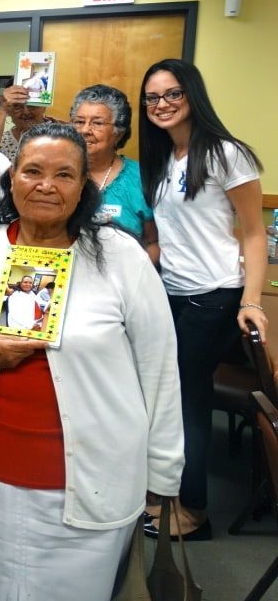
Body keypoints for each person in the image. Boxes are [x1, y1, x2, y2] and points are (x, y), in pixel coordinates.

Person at [0, 122, 183, 601]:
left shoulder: (120, 257)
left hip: (88, 480)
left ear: (84, 188)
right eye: (33, 171)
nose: (46, 185)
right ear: (11, 178)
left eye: (64, 175)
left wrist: (163, 471)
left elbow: (159, 368)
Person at [139, 58, 268, 540]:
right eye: (152, 97)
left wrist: (251, 300)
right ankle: (165, 494)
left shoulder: (224, 153)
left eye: (172, 94)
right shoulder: (165, 156)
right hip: (172, 292)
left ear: (192, 95)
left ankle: (192, 511)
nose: (162, 105)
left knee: (186, 401)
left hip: (214, 295)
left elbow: (254, 234)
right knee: (169, 398)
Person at [69, 84, 158, 263]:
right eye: (79, 122)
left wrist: (133, 276)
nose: (85, 130)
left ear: (118, 132)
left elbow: (153, 242)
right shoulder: (58, 173)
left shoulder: (141, 178)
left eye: (97, 123)